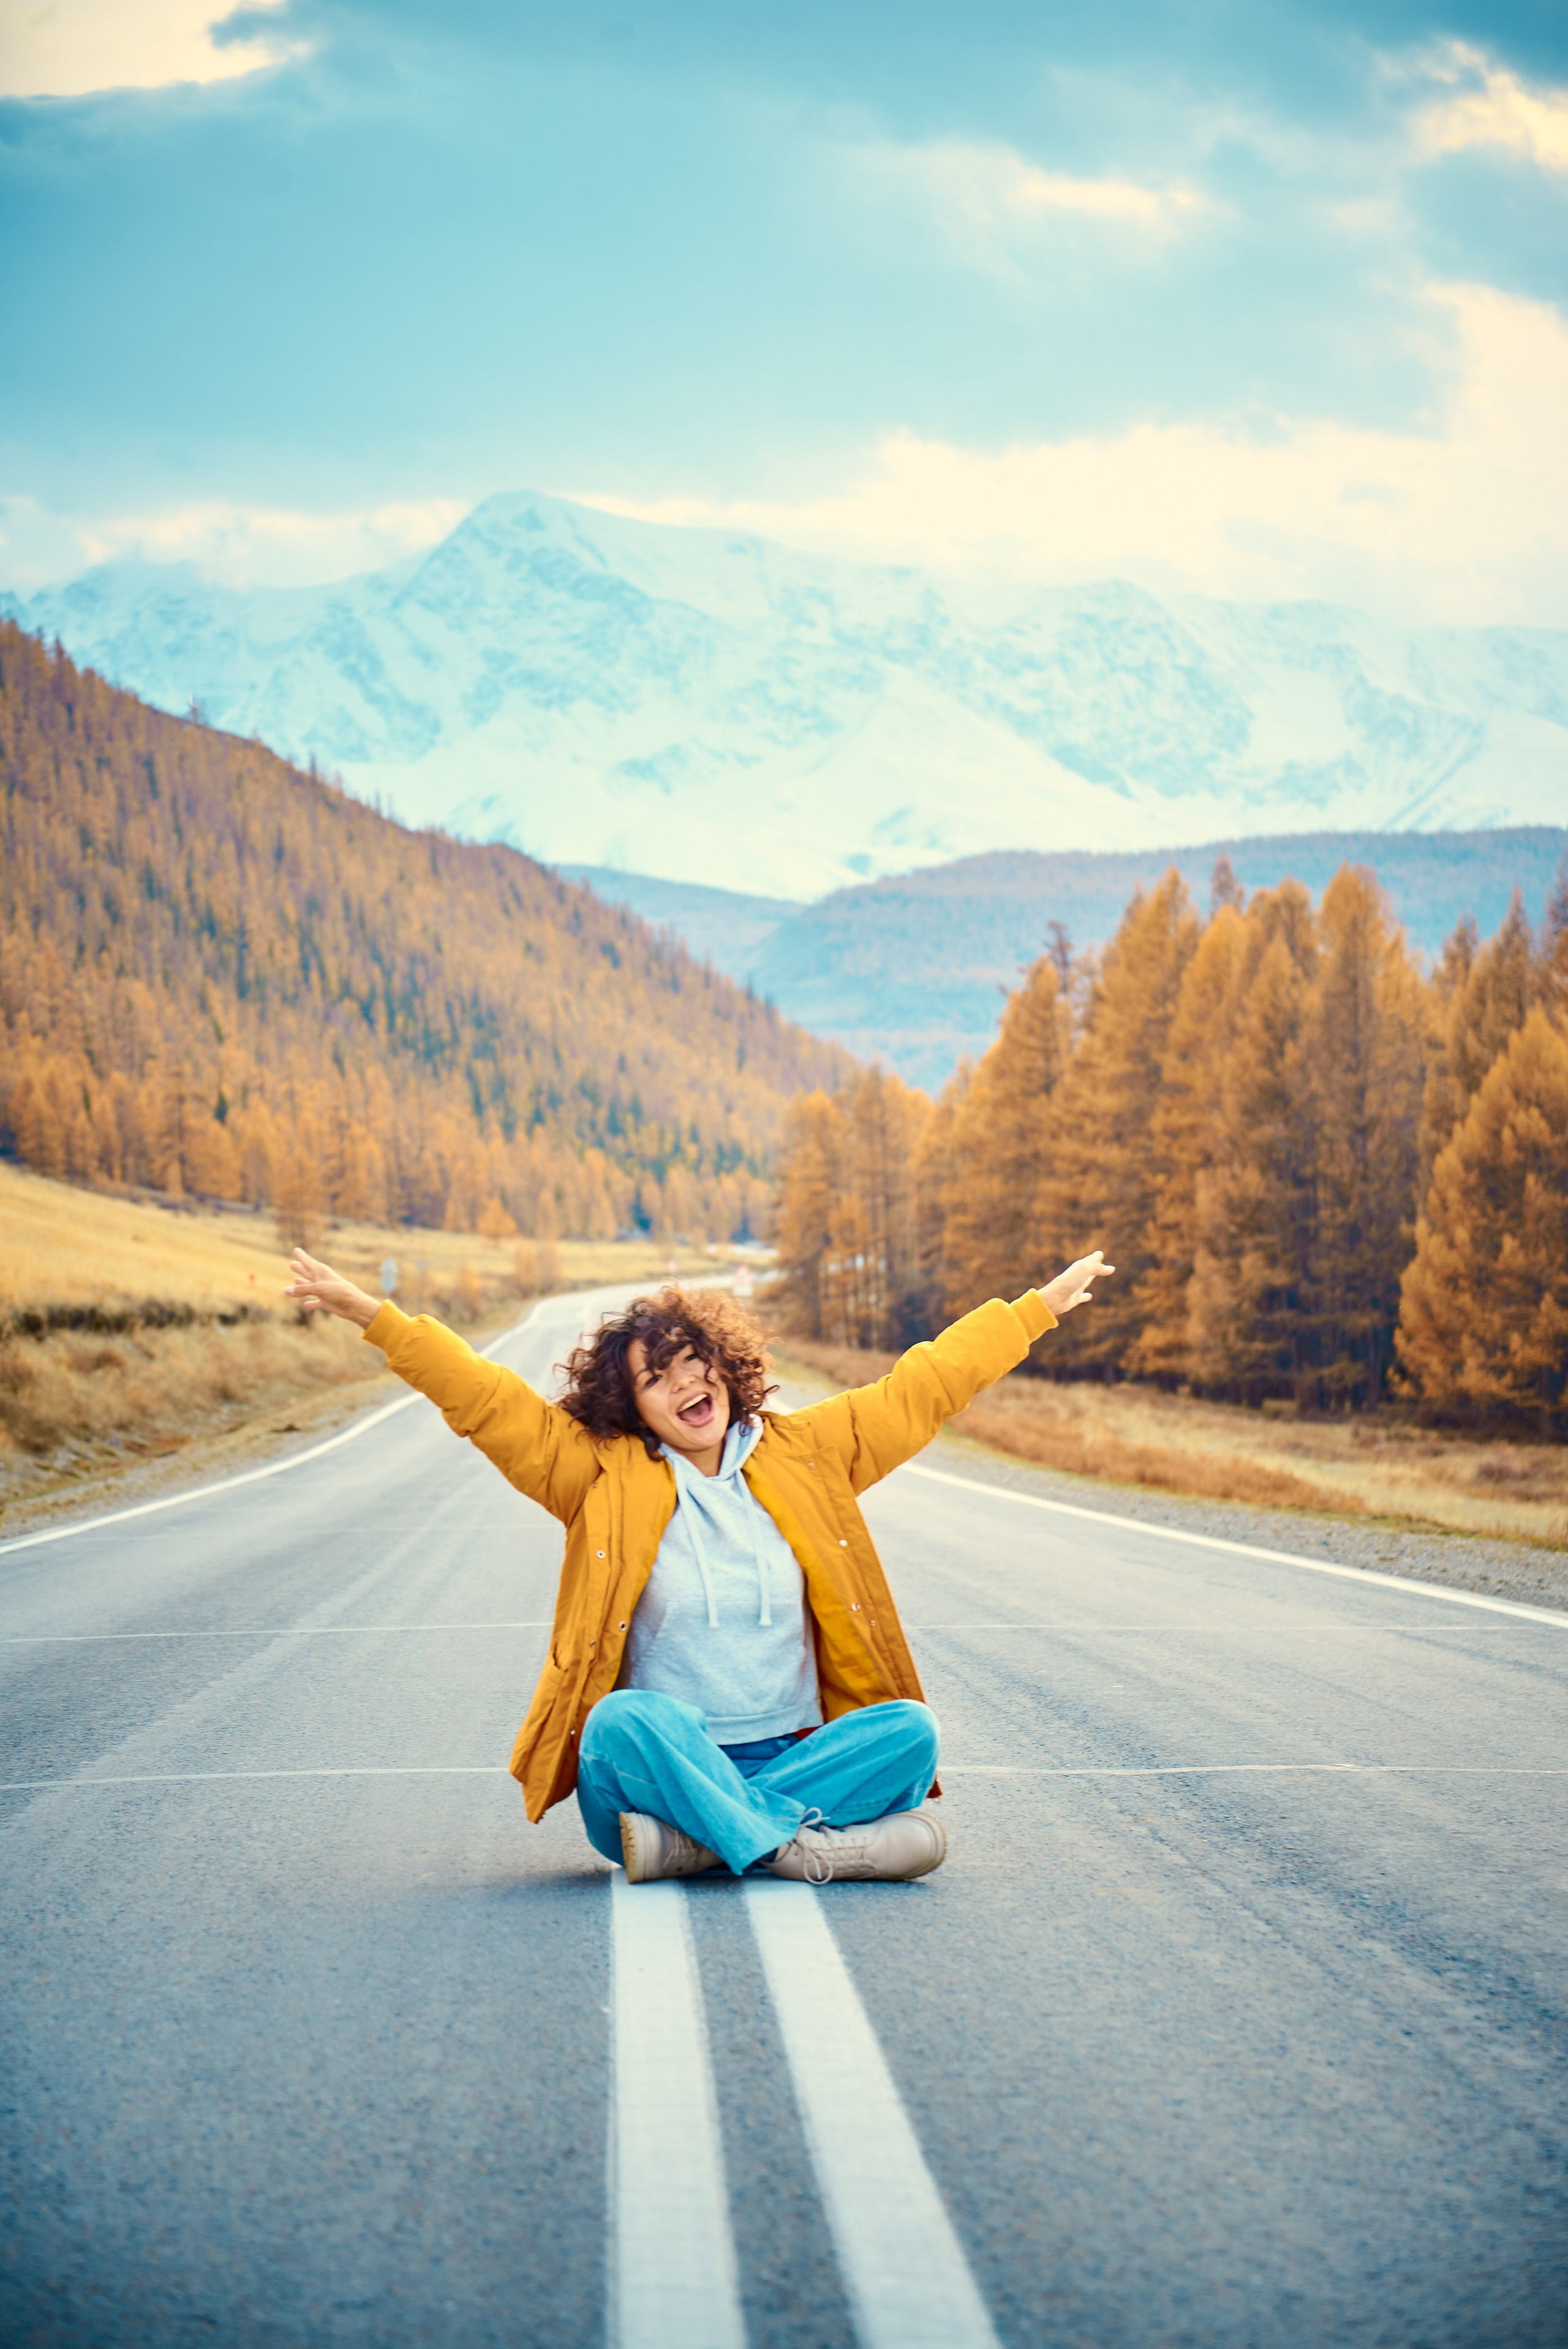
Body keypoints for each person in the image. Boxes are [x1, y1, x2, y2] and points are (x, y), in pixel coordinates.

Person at [284, 1246, 1114, 1884]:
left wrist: (1034, 1311)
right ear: (631, 1404)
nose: (685, 1382)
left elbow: (922, 1388)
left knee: (910, 1732)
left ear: (724, 1366)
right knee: (620, 1724)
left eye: (693, 1361)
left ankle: (703, 1844)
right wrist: (370, 1313)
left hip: (793, 1754)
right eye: (656, 1377)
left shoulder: (809, 1454)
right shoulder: (598, 1474)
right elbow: (485, 1398)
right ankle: (795, 1850)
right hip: (662, 1768)